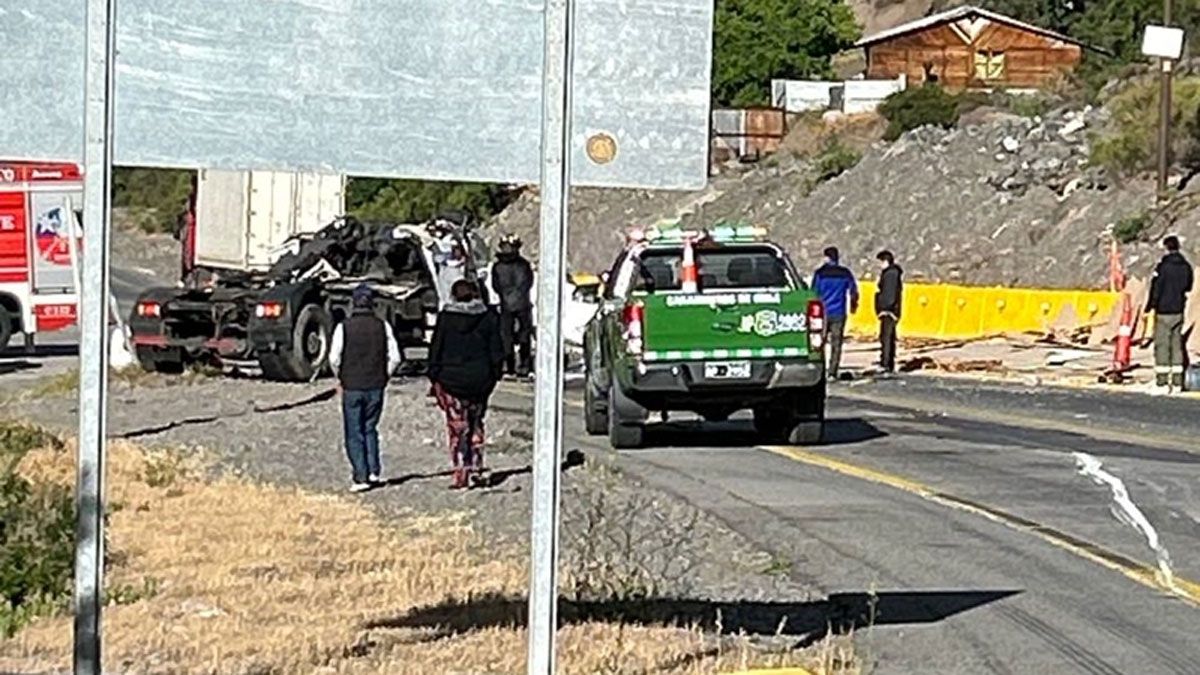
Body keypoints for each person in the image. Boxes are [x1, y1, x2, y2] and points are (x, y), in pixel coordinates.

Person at [428, 279, 506, 489]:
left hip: (451, 380)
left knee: (457, 428)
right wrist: (494, 375)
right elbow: (497, 351)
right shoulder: (488, 318)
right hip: (480, 380)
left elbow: (436, 348)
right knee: (476, 423)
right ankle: (477, 468)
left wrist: (434, 375)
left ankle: (461, 472)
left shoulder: (446, 318)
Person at [329, 284, 402, 493]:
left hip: (352, 385)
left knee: (354, 431)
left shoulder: (344, 327)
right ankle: (373, 471)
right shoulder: (383, 326)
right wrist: (385, 375)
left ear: (353, 303)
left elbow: (334, 358)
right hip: (376, 384)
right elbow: (395, 357)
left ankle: (360, 476)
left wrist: (341, 377)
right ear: (372, 304)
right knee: (370, 428)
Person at [1145, 235, 1194, 391]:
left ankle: (1162, 382)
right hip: (1178, 310)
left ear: (1166, 248)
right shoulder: (1186, 266)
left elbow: (1156, 288)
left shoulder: (1163, 267)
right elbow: (1188, 287)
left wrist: (1150, 306)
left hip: (1163, 311)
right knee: (1177, 345)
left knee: (1162, 346)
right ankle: (1177, 382)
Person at [490, 234, 535, 377]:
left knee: (506, 336)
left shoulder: (497, 267)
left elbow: (496, 286)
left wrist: (505, 295)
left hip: (506, 304)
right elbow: (528, 283)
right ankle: (524, 365)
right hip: (523, 304)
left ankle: (509, 365)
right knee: (523, 335)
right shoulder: (524, 265)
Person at [812, 246, 859, 380]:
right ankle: (832, 372)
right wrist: (853, 306)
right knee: (836, 343)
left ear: (826, 257)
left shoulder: (820, 274)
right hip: (839, 312)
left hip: (822, 313)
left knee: (818, 342)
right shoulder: (845, 273)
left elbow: (813, 293)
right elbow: (854, 291)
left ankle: (819, 370)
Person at [875, 250, 904, 375]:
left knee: (886, 338)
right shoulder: (892, 273)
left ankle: (886, 363)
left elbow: (889, 293)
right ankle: (888, 363)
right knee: (889, 337)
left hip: (888, 311)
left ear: (886, 261)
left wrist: (884, 308)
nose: (880, 265)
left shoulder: (890, 274)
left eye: (881, 262)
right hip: (891, 310)